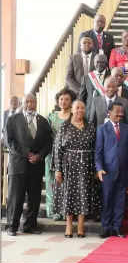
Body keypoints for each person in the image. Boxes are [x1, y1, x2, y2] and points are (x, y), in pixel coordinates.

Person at [5, 94, 53, 236]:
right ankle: (12, 226)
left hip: (36, 165)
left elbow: (48, 142)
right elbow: (10, 141)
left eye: (32, 102)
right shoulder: (13, 119)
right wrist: (27, 153)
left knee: (34, 197)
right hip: (18, 165)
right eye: (27, 102)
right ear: (22, 103)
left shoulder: (43, 121)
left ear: (36, 103)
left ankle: (30, 225)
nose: (29, 104)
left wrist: (40, 155)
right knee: (16, 197)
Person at [53, 100, 97, 238]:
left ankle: (81, 225)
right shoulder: (64, 126)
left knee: (84, 194)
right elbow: (58, 149)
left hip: (86, 165)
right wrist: (58, 169)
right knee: (69, 194)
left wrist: (96, 168)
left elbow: (96, 149)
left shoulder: (90, 126)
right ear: (72, 109)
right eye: (77, 108)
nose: (80, 110)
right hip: (68, 165)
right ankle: (68, 224)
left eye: (82, 108)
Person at [96, 102, 128, 238]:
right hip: (107, 171)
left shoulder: (127, 128)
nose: (120, 114)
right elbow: (98, 152)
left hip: (124, 169)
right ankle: (106, 227)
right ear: (109, 112)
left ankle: (117, 227)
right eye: (117, 111)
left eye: (122, 111)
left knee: (120, 199)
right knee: (107, 199)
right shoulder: (102, 129)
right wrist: (99, 168)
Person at [45, 88, 77, 221]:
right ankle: (54, 210)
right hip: (52, 154)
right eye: (61, 99)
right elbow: (46, 136)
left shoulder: (75, 116)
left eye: (67, 99)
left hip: (70, 154)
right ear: (58, 101)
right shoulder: (51, 116)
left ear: (71, 102)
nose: (64, 101)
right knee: (52, 182)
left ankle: (67, 211)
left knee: (68, 183)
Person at [79, 54, 111, 119]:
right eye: (97, 62)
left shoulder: (111, 76)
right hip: (90, 111)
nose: (99, 64)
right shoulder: (87, 77)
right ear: (94, 63)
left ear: (106, 63)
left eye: (102, 62)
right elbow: (81, 97)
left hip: (106, 110)